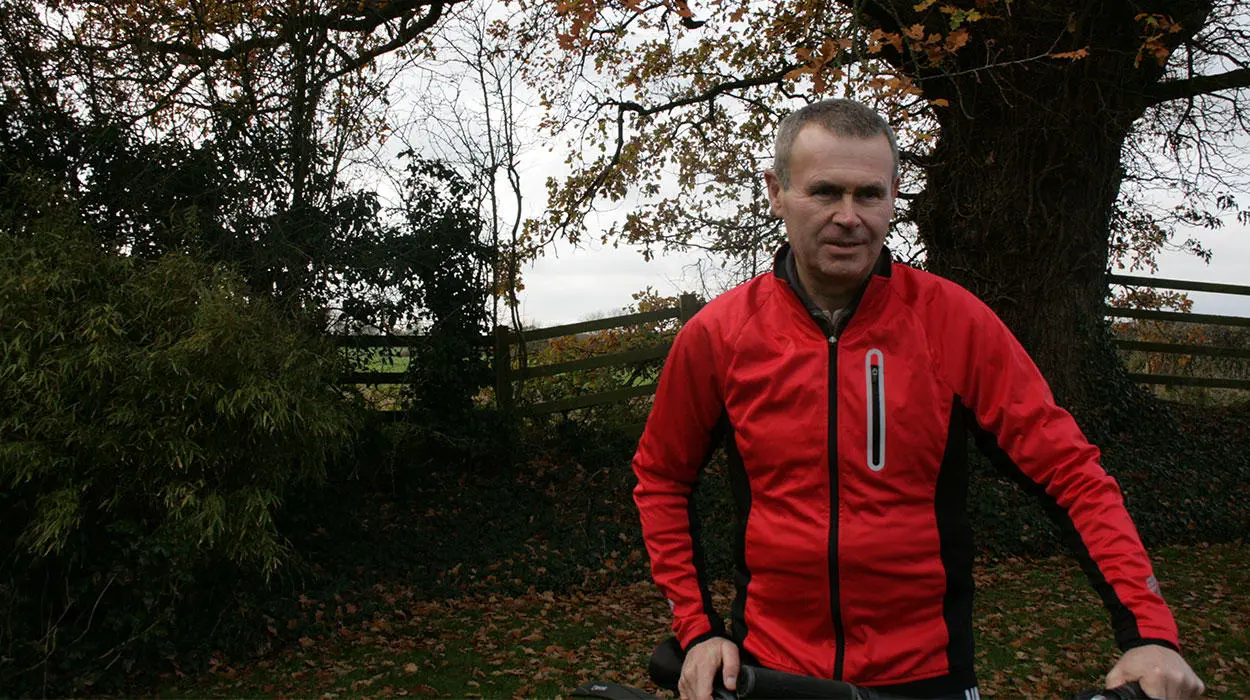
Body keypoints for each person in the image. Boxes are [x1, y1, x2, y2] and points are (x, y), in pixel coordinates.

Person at [631, 99, 1205, 700]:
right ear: (777, 192)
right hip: (775, 673)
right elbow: (661, 476)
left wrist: (1150, 634)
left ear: (894, 194)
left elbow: (1071, 473)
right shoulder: (720, 335)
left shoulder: (952, 323)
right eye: (825, 192)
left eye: (869, 194)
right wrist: (697, 631)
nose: (849, 217)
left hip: (928, 675)